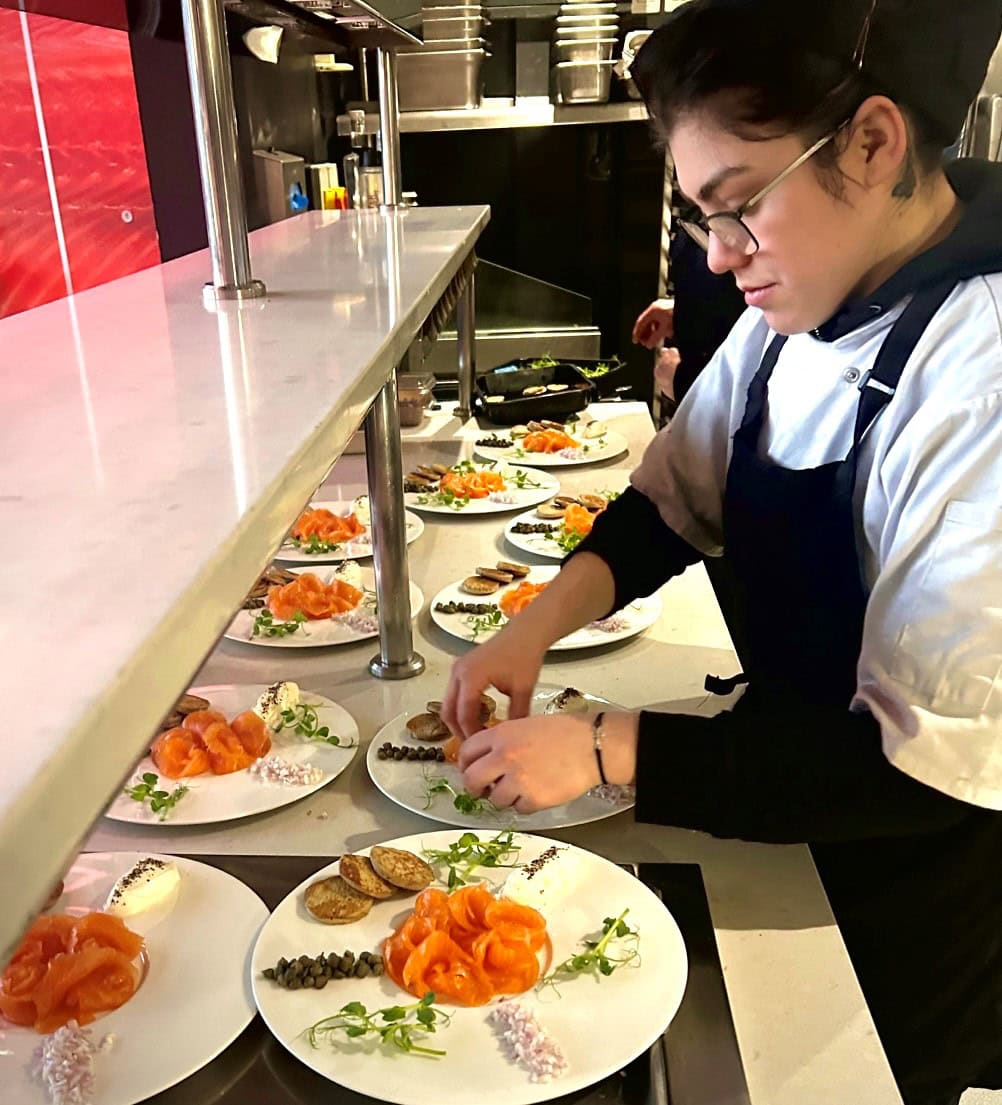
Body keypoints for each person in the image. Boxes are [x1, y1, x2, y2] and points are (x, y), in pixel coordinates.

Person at [441, 3, 1002, 1104]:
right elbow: (672, 504)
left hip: (909, 883)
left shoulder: (980, 378)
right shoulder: (810, 301)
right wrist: (532, 627)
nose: (718, 254)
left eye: (740, 205)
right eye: (703, 217)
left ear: (873, 142)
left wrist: (607, 743)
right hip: (778, 803)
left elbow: (923, 764)